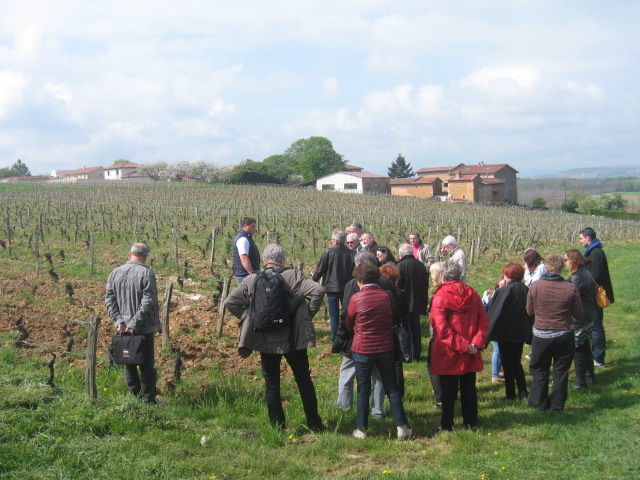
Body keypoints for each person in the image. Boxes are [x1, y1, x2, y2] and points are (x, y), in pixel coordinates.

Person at [225, 244, 326, 431]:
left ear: (264, 261)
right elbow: (318, 291)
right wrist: (307, 316)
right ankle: (314, 424)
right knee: (304, 380)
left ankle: (277, 427)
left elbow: (230, 302)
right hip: (293, 339)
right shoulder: (294, 276)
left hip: (266, 340)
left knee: (272, 384)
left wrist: (249, 318)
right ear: (282, 260)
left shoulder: (252, 279)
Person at [346, 262, 411, 440]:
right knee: (392, 387)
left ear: (359, 280)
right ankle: (402, 427)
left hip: (362, 348)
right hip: (385, 346)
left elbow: (349, 322)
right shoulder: (388, 296)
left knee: (363, 388)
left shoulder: (356, 299)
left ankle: (361, 429)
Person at [429, 261, 488, 431]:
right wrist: (474, 343)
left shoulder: (440, 296)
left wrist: (464, 345)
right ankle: (471, 422)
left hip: (449, 349)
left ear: (443, 277)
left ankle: (447, 424)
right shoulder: (473, 293)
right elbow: (483, 320)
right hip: (469, 348)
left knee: (448, 389)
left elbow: (440, 326)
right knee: (469, 387)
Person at [105, 243, 161, 403]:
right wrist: (134, 324)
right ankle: (148, 400)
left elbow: (109, 298)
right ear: (146, 256)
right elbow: (148, 300)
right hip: (143, 327)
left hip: (122, 327)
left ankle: (134, 397)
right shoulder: (146, 273)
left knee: (128, 362)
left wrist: (118, 321)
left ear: (130, 253)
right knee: (147, 365)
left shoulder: (115, 272)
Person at [335, 251, 388, 419]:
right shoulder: (386, 283)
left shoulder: (352, 285)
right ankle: (377, 411)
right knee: (379, 377)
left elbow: (347, 314)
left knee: (347, 374)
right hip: (382, 340)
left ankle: (344, 407)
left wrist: (342, 336)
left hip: (356, 339)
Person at [526, 254, 582, 412]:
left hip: (541, 333)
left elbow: (529, 311)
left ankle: (538, 403)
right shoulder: (570, 287)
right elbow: (578, 313)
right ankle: (557, 405)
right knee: (561, 370)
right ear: (561, 268)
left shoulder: (536, 286)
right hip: (564, 334)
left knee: (539, 368)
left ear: (545, 267)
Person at [486, 263, 532, 402]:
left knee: (507, 363)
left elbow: (495, 313)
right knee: (516, 361)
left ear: (508, 275)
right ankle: (522, 392)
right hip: (521, 331)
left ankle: (511, 393)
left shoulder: (505, 291)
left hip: (505, 333)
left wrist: (486, 336)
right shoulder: (526, 289)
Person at [579, 227, 614, 367]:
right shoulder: (592, 251)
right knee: (594, 326)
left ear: (588, 238)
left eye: (581, 238)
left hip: (594, 295)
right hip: (591, 294)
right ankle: (595, 356)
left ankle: (598, 358)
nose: (580, 241)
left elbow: (595, 276)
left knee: (597, 326)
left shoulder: (596, 253)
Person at [312, 230, 354, 340]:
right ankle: (346, 337)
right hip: (347, 288)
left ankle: (335, 339)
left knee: (334, 315)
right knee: (346, 313)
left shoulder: (328, 252)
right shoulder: (352, 253)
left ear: (335, 241)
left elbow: (321, 269)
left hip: (332, 288)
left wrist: (314, 279)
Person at [565, 249, 597, 389]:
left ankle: (580, 381)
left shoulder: (577, 277)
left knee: (577, 347)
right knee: (585, 346)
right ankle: (590, 377)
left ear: (572, 260)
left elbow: (572, 297)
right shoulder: (586, 272)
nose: (565, 263)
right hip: (589, 314)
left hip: (580, 317)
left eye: (566, 260)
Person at [396, 243, 429, 361]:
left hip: (403, 303)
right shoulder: (420, 266)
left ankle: (407, 354)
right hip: (417, 302)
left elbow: (398, 286)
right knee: (416, 329)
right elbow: (425, 286)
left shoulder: (399, 266)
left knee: (405, 328)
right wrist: (424, 304)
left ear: (401, 254)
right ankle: (417, 353)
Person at [482, 276, 506, 383]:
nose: (505, 285)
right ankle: (495, 375)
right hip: (494, 324)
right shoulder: (492, 294)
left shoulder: (489, 293)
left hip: (494, 324)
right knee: (497, 349)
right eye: (503, 283)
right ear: (498, 283)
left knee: (500, 349)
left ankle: (497, 372)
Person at [232, 217, 260, 285]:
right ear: (245, 226)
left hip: (245, 274)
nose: (255, 229)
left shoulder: (246, 238)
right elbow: (244, 257)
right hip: (244, 275)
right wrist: (252, 274)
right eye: (253, 226)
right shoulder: (243, 239)